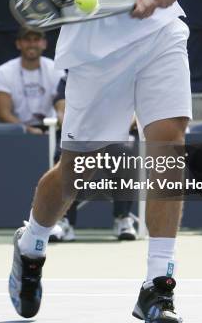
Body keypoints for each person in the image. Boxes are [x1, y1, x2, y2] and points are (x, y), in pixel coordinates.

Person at [9, 0, 192, 323]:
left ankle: (158, 285)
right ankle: (32, 243)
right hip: (96, 44)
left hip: (158, 23)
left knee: (169, 143)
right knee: (77, 174)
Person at [49, 75, 137, 242]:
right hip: (79, 136)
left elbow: (133, 113)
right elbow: (63, 112)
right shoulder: (71, 77)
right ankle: (64, 220)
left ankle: (122, 219)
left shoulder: (125, 75)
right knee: (68, 156)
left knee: (125, 157)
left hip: (114, 137)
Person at [0, 27, 64, 135]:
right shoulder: (3, 71)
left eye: (36, 39)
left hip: (51, 129)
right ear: (18, 44)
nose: (32, 44)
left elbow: (62, 103)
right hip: (17, 130)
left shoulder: (56, 69)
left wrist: (60, 118)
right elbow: (2, 113)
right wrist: (26, 129)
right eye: (27, 40)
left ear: (44, 44)